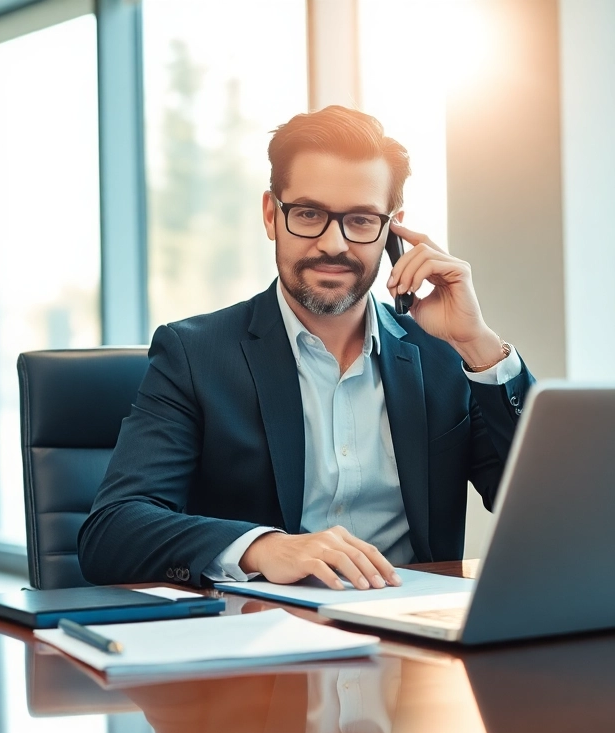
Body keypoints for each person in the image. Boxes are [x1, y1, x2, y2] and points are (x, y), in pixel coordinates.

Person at [78, 105, 534, 590]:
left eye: (360, 220)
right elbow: (112, 531)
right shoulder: (195, 355)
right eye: (310, 214)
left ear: (391, 229)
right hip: (263, 638)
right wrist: (263, 547)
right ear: (272, 215)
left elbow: (547, 505)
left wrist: (477, 343)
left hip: (416, 638)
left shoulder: (445, 354)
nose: (333, 244)